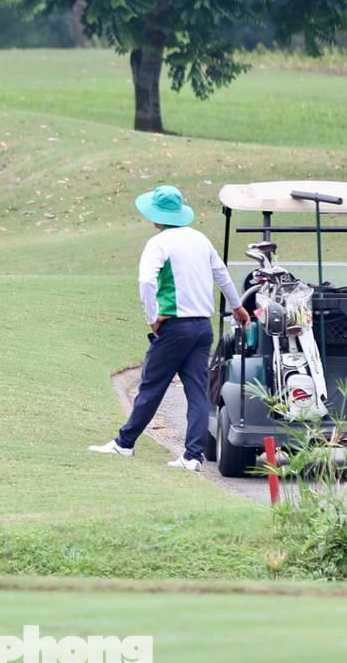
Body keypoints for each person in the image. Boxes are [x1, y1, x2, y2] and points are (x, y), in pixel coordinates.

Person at [89, 185, 249, 471]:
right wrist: (237, 307)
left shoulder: (158, 243)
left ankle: (125, 444)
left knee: (152, 386)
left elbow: (147, 282)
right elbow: (222, 275)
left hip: (174, 327)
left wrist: (153, 316)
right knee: (197, 392)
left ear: (157, 215)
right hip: (202, 328)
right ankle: (192, 457)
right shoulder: (200, 239)